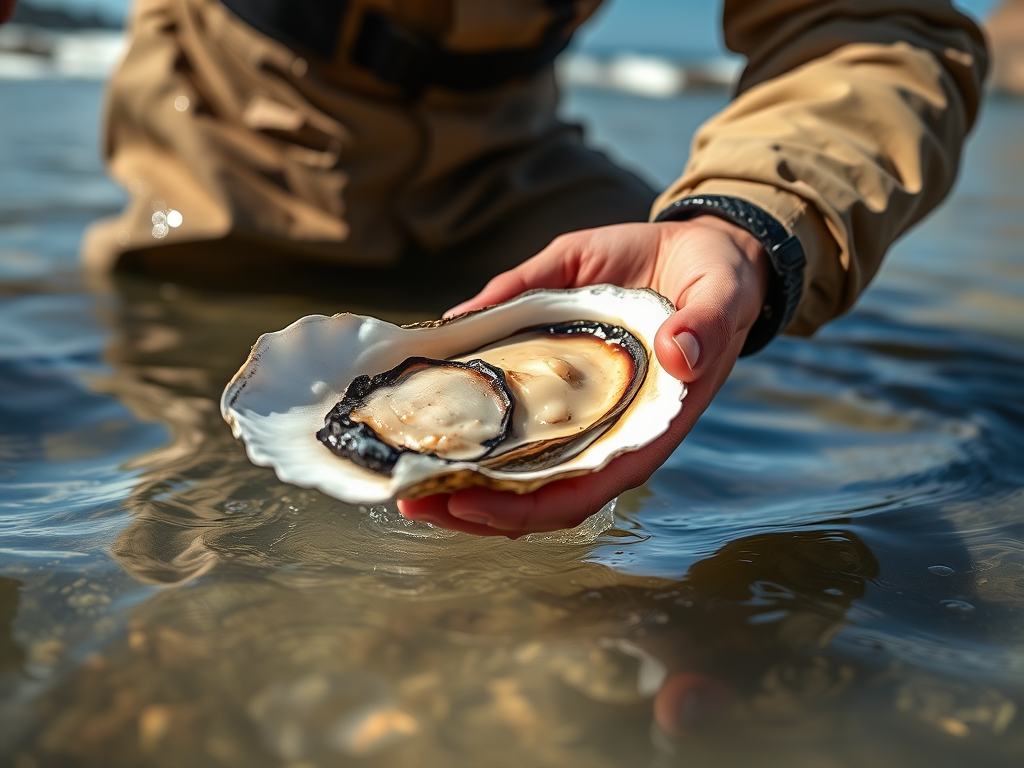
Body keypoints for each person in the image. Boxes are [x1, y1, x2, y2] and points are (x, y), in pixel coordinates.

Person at [0, 0, 988, 537]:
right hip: (229, 109)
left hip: (506, 144)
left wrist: (744, 223)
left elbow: (876, 22)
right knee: (190, 461)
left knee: (683, 336)